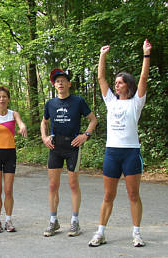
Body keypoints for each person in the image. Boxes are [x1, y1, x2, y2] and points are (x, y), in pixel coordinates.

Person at [88, 39, 152, 247]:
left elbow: (144, 77)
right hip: (112, 153)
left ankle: (137, 233)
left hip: (131, 153)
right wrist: (102, 55)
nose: (116, 84)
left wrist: (146, 54)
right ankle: (100, 233)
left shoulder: (136, 102)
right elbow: (100, 77)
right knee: (108, 194)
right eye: (115, 82)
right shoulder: (111, 101)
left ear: (129, 85)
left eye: (121, 81)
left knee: (133, 194)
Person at [41, 69, 97, 237]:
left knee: (73, 184)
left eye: (63, 80)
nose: (60, 83)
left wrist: (85, 135)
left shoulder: (78, 101)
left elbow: (93, 120)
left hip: (73, 146)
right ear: (54, 85)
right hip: (55, 147)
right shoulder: (50, 103)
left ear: (69, 83)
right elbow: (44, 122)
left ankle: (74, 222)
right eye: (57, 81)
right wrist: (44, 137)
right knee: (53, 185)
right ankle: (53, 221)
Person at [0, 86, 27, 233]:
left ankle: (8, 220)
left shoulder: (13, 114)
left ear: (8, 99)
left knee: (8, 190)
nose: (2, 99)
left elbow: (20, 123)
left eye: (4, 97)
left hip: (10, 154)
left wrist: (22, 127)